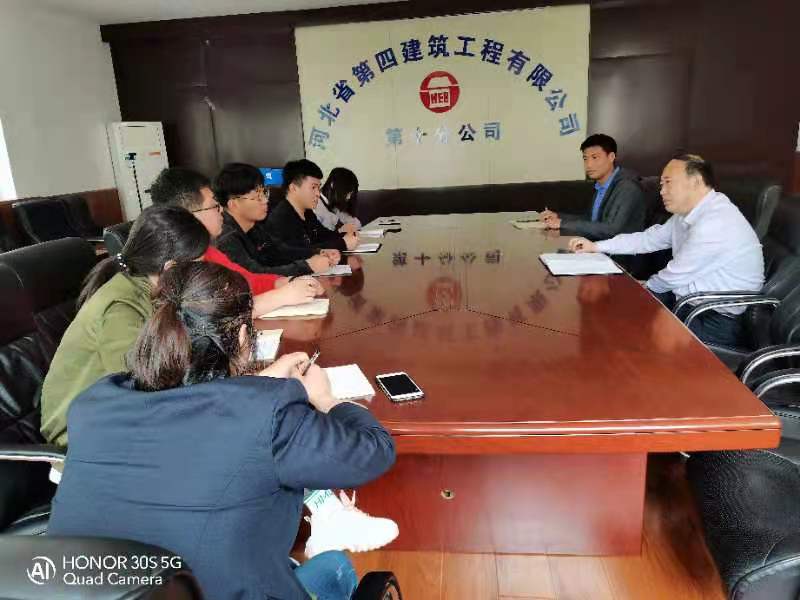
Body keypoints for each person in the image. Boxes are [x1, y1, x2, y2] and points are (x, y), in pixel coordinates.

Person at [48, 262, 397, 600]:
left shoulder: (93, 404)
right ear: (244, 335)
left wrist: (261, 384)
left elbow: (192, 411)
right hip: (221, 589)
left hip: (88, 589)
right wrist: (325, 398)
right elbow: (374, 450)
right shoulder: (266, 415)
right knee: (335, 567)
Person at [39, 205, 210, 447]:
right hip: (81, 433)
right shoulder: (121, 308)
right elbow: (139, 388)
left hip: (117, 414)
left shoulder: (153, 290)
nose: (202, 274)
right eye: (199, 266)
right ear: (171, 268)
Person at [569, 154, 764, 346]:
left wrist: (644, 288)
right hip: (685, 300)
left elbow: (675, 274)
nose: (662, 191)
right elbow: (648, 239)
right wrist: (596, 246)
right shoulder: (688, 214)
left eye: (668, 182)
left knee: (628, 330)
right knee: (613, 309)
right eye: (661, 184)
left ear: (696, 181)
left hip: (712, 318)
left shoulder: (716, 221)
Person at [149, 166, 325, 314]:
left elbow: (246, 281)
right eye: (214, 206)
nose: (221, 211)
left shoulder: (209, 251)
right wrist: (281, 296)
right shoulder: (172, 266)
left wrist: (287, 282)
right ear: (187, 216)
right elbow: (210, 318)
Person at [209, 163, 341, 277]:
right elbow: (254, 275)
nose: (265, 201)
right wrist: (307, 266)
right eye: (257, 197)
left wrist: (318, 252)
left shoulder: (255, 227)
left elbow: (279, 251)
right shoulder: (226, 238)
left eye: (264, 193)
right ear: (233, 204)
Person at [541, 134, 646, 240]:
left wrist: (562, 223)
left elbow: (611, 229)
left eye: (595, 157)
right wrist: (558, 217)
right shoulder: (601, 185)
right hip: (599, 245)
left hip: (620, 250)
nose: (589, 164)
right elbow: (590, 220)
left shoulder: (627, 187)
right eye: (585, 158)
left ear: (611, 157)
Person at [266, 159, 359, 252]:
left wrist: (346, 235)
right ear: (293, 188)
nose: (318, 193)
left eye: (318, 187)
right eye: (313, 187)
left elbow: (325, 236)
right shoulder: (282, 217)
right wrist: (342, 244)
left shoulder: (308, 213)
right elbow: (299, 251)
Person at [316, 167, 362, 234]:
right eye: (347, 192)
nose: (349, 197)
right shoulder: (314, 205)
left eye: (350, 194)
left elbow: (357, 224)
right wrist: (339, 231)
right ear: (332, 184)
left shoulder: (335, 204)